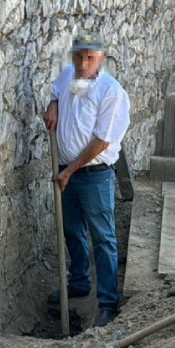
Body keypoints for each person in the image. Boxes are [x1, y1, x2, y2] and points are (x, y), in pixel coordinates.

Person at [43, 32, 131, 328]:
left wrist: (69, 171)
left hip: (94, 175)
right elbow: (56, 92)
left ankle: (107, 303)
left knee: (103, 238)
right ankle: (79, 282)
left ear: (101, 59)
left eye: (89, 58)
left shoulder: (111, 92)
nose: (83, 63)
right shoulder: (69, 74)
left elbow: (102, 142)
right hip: (67, 169)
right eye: (79, 56)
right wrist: (54, 104)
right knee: (72, 230)